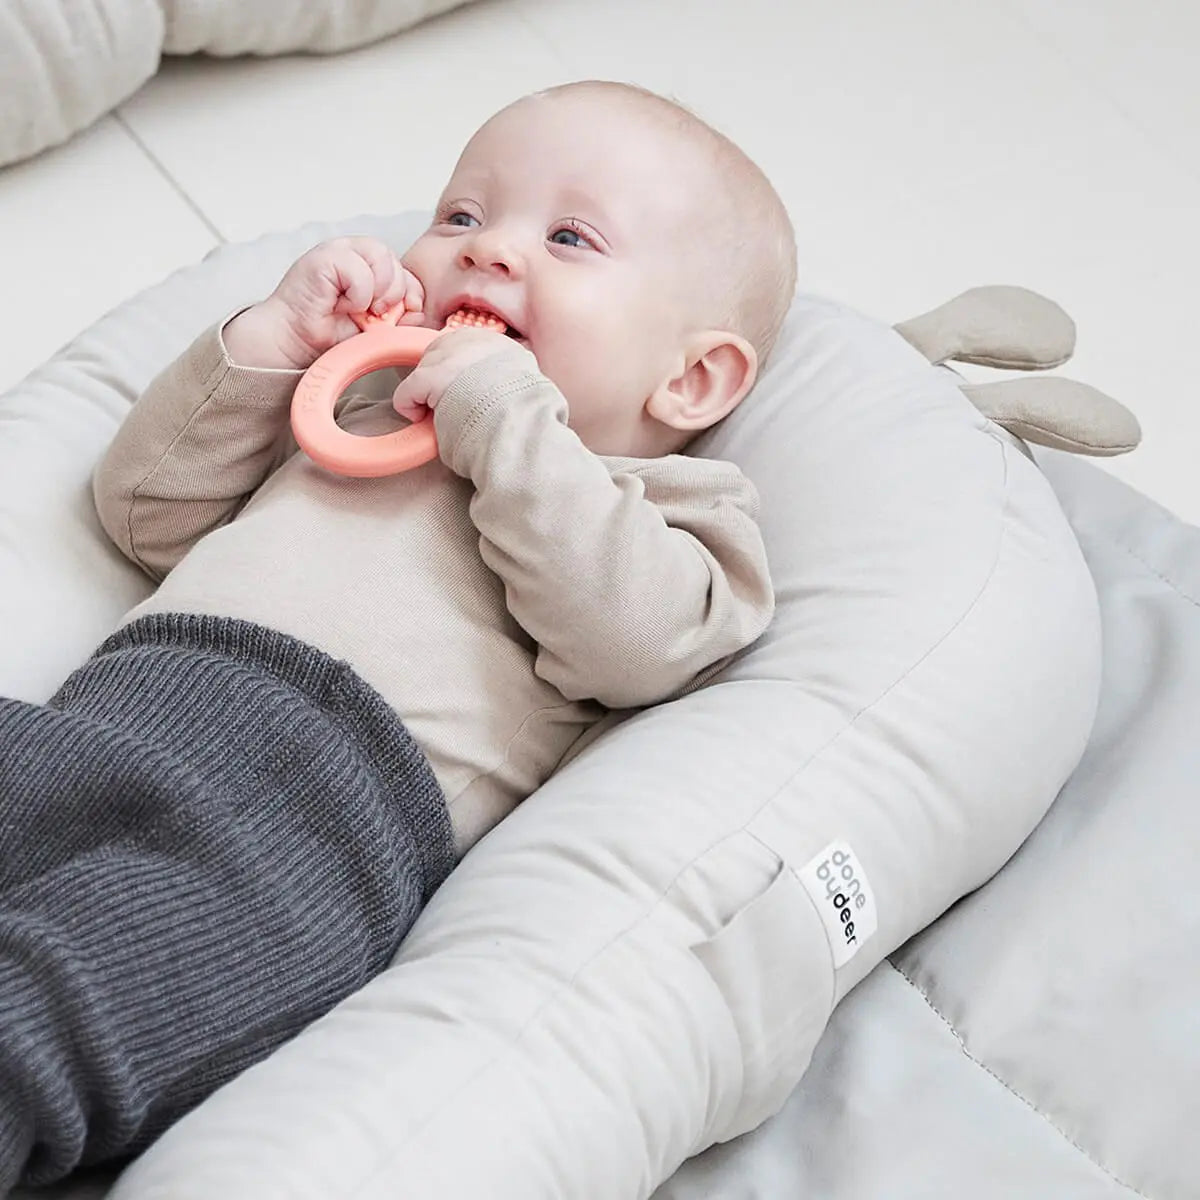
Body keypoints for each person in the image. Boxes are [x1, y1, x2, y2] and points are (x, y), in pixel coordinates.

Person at [0, 80, 796, 1192]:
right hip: (117, 711)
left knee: (59, 1000)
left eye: (569, 238)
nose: (487, 254)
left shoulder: (662, 505)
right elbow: (143, 510)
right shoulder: (357, 405)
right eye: (462, 217)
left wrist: (503, 414)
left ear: (692, 374)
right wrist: (272, 344)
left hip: (308, 831)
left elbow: (641, 644)